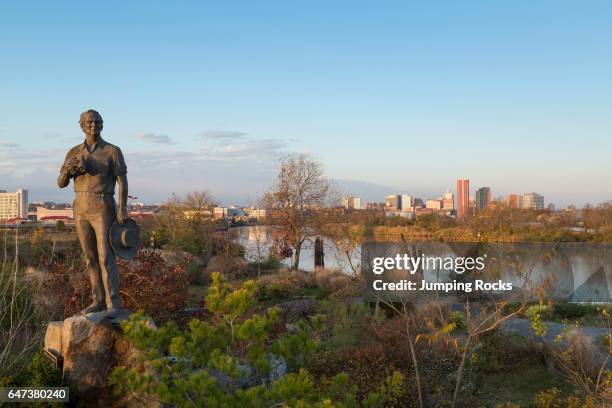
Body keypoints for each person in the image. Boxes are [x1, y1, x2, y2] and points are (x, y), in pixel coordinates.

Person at [58, 109, 128, 318]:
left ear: (102, 124)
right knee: (90, 258)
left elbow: (122, 181)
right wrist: (68, 172)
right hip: (80, 206)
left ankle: (113, 303)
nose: (93, 125)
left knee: (106, 256)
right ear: (82, 125)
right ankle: (98, 300)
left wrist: (122, 206)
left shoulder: (112, 151)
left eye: (97, 122)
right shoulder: (73, 152)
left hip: (102, 205)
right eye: (89, 122)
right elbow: (61, 183)